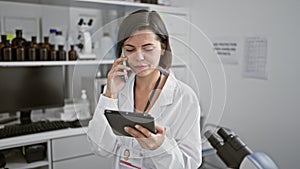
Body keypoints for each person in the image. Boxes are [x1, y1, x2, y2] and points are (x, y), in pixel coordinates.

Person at [87, 9, 202, 169]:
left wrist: (160, 147)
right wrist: (110, 95)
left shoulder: (184, 97)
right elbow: (100, 148)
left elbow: (189, 164)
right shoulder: (118, 90)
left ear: (163, 48)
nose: (139, 57)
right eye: (130, 49)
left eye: (148, 48)